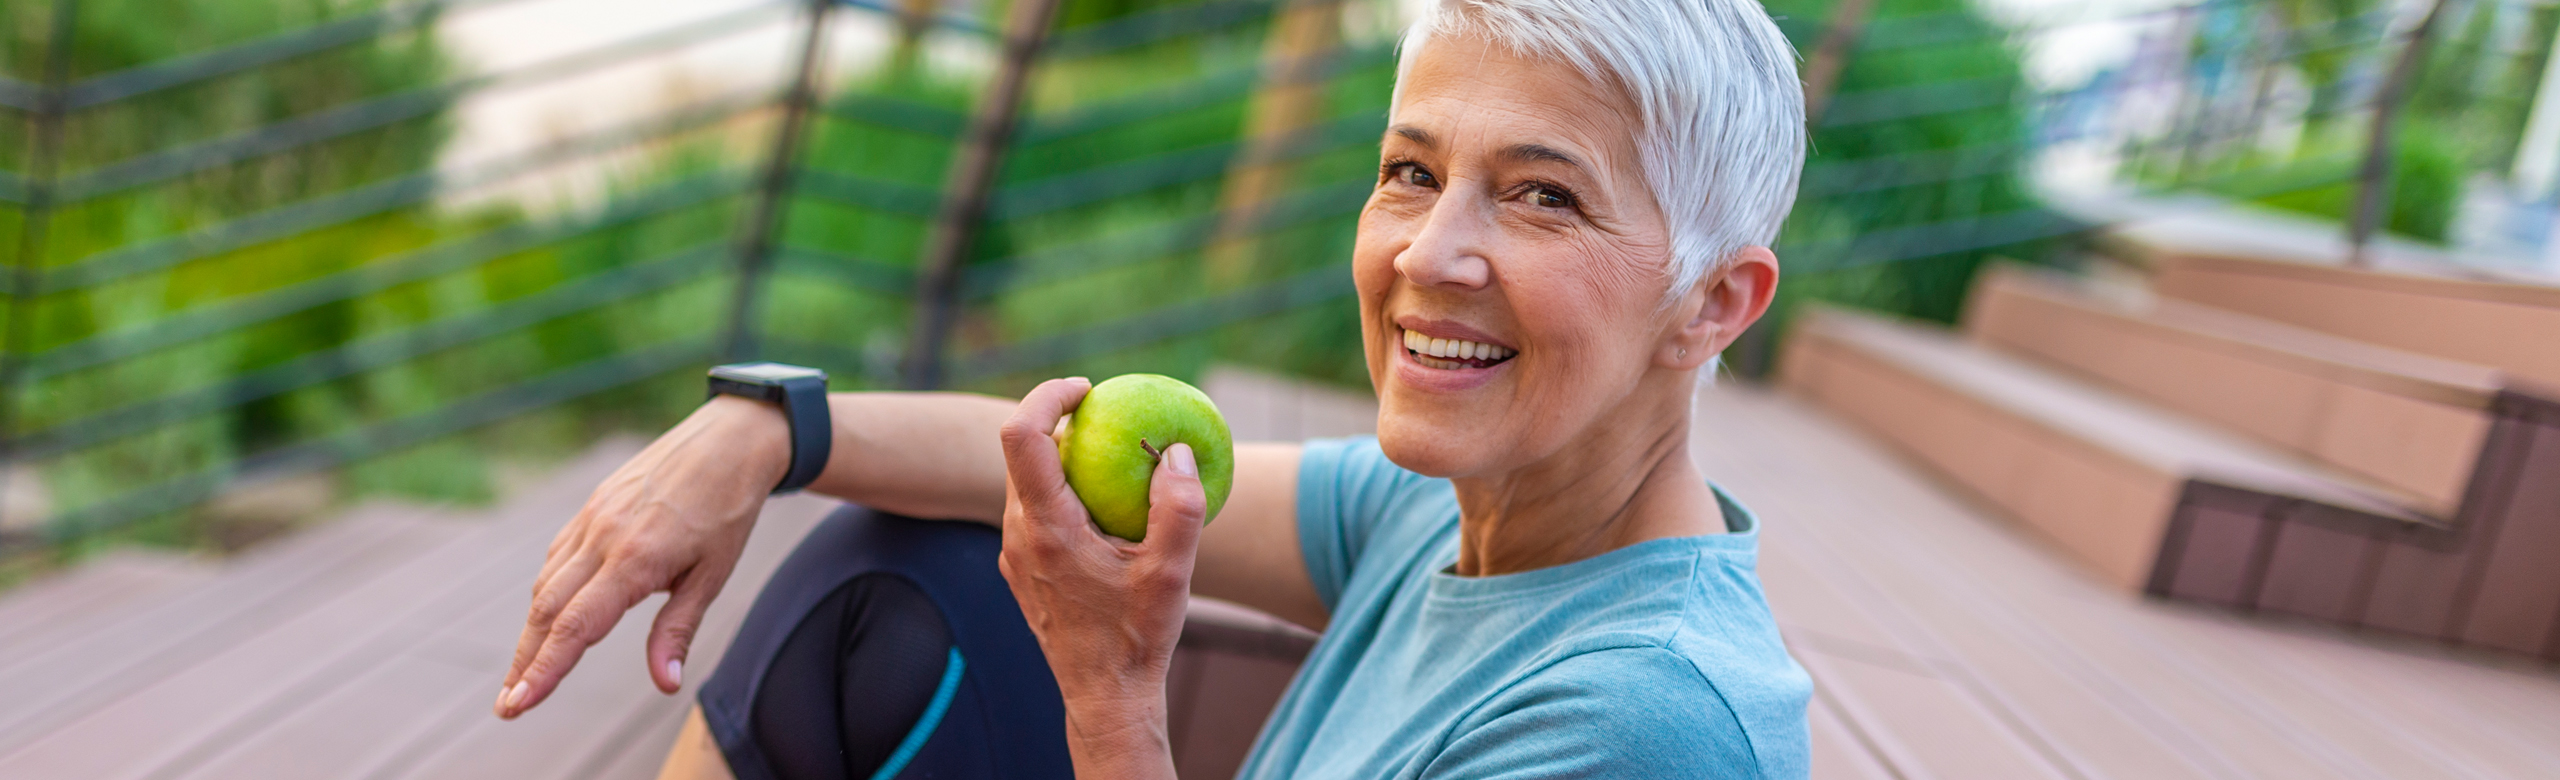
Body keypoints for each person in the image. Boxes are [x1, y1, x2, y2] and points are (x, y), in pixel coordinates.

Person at [494, 0, 1813, 776]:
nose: (1428, 251)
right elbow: (1031, 459)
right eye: (1411, 172)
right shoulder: (1462, 505)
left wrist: (1114, 702)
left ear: (1713, 303)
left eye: (1543, 197)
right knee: (892, 576)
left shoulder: (1646, 724)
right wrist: (764, 426)